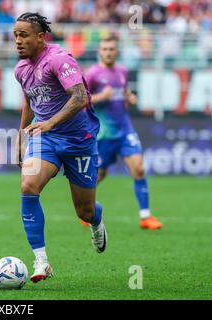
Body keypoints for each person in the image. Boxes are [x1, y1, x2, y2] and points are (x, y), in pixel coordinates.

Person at [14, 13, 107, 283]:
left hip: (79, 140)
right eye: (15, 36)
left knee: (85, 211)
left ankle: (96, 221)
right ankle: (41, 261)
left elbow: (79, 98)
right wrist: (21, 137)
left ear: (41, 37)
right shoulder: (21, 69)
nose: (18, 41)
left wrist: (50, 123)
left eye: (24, 35)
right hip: (45, 139)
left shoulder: (59, 59)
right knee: (28, 187)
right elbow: (29, 102)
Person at [85, 36, 162, 230]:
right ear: (100, 51)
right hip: (104, 134)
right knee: (99, 175)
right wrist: (101, 96)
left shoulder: (122, 71)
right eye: (105, 49)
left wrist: (130, 97)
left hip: (125, 129)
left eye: (112, 48)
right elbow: (80, 100)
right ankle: (86, 209)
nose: (108, 52)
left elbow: (124, 91)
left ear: (117, 51)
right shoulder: (93, 74)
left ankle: (145, 216)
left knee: (139, 169)